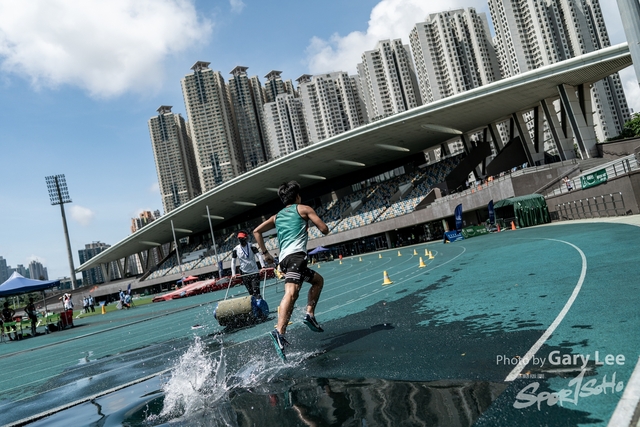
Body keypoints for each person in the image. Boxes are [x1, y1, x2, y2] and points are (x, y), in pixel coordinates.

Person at [253, 180, 330, 361]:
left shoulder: (276, 216)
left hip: (285, 260)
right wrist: (310, 223)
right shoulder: (303, 209)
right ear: (297, 196)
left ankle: (309, 315)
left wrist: (265, 254)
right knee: (292, 292)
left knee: (318, 281)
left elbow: (256, 231)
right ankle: (279, 332)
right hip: (296, 257)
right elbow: (325, 229)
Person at [230, 230, 267, 299]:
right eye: (239, 238)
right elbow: (233, 262)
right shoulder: (236, 249)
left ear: (246, 238)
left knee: (256, 292)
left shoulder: (251, 246)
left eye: (242, 238)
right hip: (244, 273)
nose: (241, 240)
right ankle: (254, 308)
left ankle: (260, 305)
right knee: (251, 294)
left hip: (254, 272)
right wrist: (233, 274)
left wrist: (263, 266)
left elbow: (259, 256)